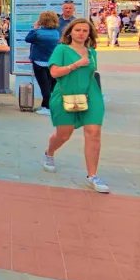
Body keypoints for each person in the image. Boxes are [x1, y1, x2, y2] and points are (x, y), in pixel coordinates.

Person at [42, 18, 108, 193]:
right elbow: (54, 72)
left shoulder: (92, 52)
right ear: (70, 32)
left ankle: (92, 175)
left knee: (94, 133)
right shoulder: (62, 49)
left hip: (90, 95)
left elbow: (91, 73)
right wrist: (75, 65)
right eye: (78, 30)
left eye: (85, 31)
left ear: (89, 34)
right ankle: (49, 152)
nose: (81, 33)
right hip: (65, 94)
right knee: (64, 134)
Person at [25, 11, 61, 116]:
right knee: (51, 85)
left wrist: (35, 27)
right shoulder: (56, 33)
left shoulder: (38, 33)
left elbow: (28, 39)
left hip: (39, 62)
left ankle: (49, 107)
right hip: (52, 62)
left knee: (44, 86)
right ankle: (45, 104)